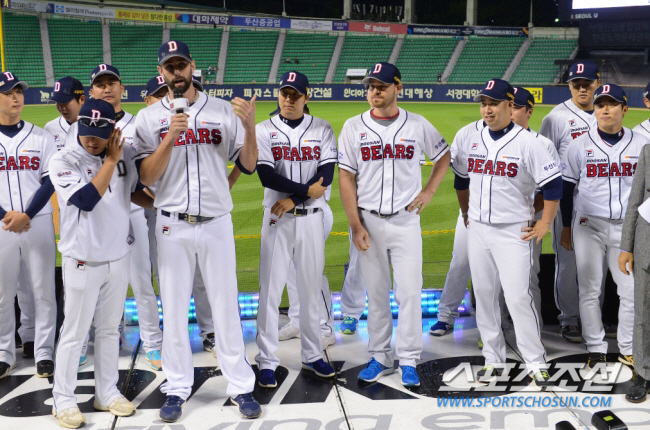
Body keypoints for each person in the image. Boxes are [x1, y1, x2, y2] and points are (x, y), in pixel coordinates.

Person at [135, 40, 260, 422]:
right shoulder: (149, 119)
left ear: (192, 67)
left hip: (216, 223)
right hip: (171, 223)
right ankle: (175, 388)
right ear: (162, 73)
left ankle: (240, 386)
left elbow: (250, 165)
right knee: (173, 310)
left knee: (226, 307)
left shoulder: (222, 111)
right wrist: (171, 136)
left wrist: (250, 129)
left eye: (181, 64)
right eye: (169, 66)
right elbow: (146, 176)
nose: (176, 72)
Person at [338, 62, 450, 387]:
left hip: (405, 222)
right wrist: (354, 224)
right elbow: (346, 176)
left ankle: (409, 359)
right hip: (368, 221)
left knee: (410, 293)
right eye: (371, 85)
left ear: (397, 88)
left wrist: (429, 190)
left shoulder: (417, 125)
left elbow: (444, 156)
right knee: (375, 293)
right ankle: (379, 356)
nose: (375, 91)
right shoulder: (353, 126)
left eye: (382, 86)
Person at [451, 79, 561, 386]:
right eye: (484, 103)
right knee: (484, 297)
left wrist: (545, 223)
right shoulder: (472, 138)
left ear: (509, 105)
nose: (487, 109)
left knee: (517, 297)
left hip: (514, 232)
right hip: (479, 229)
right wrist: (465, 212)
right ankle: (492, 357)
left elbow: (553, 187)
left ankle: (535, 360)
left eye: (494, 103)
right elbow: (461, 181)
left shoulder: (530, 143)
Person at [50, 99, 151, 428]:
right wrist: (111, 159)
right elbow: (86, 200)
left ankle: (106, 392)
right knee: (75, 333)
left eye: (100, 132)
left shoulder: (122, 155)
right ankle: (63, 399)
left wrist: (166, 204)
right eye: (87, 130)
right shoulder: (64, 159)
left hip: (117, 256)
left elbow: (132, 190)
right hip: (83, 259)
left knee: (109, 330)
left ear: (113, 130)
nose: (91, 138)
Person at [74, 64, 164, 370]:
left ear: (122, 88)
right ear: (91, 91)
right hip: (95, 216)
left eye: (112, 82)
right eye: (100, 84)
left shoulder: (138, 123)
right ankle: (92, 342)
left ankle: (153, 342)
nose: (107, 88)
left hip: (134, 210)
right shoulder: (83, 125)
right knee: (93, 283)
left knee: (141, 280)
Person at [255, 71, 338, 388]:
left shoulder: (323, 129)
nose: (289, 99)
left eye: (295, 94)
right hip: (277, 218)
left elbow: (326, 174)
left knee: (309, 288)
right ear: (279, 95)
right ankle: (266, 360)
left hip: (312, 217)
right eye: (284, 93)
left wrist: (295, 198)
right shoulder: (264, 130)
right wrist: (298, 195)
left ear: (306, 97)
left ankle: (313, 353)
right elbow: (266, 176)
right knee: (270, 291)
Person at [561, 85, 648, 369]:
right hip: (588, 224)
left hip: (627, 228)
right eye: (600, 105)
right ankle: (596, 347)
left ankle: (627, 347)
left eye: (612, 104)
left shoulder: (640, 145)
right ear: (595, 110)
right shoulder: (579, 145)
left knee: (631, 291)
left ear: (625, 109)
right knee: (589, 289)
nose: (605, 109)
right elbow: (566, 188)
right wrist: (565, 227)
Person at [0, 72, 57, 380]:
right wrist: (5, 215)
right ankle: (4, 352)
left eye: (18, 91)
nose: (16, 97)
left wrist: (27, 214)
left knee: (43, 290)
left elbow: (50, 181)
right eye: (8, 92)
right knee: (2, 292)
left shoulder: (40, 137)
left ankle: (44, 351)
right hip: (1, 225)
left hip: (38, 222)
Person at [539, 61, 600, 343]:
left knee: (595, 266)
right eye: (576, 84)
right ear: (569, 86)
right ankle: (569, 319)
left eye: (587, 83)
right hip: (566, 201)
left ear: (597, 83)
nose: (582, 88)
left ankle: (593, 321)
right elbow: (544, 160)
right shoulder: (556, 117)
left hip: (597, 203)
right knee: (568, 263)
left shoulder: (605, 111)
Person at [619, 82, 650, 403]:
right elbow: (634, 202)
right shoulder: (647, 151)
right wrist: (626, 245)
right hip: (646, 245)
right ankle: (643, 373)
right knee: (642, 313)